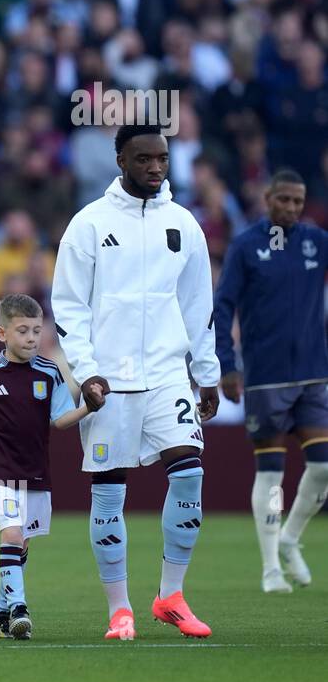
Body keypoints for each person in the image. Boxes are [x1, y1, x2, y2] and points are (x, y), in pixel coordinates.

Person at [51, 124, 221, 640]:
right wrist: (85, 371)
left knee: (189, 473)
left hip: (169, 372)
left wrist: (206, 372)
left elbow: (198, 306)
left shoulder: (183, 224)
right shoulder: (89, 224)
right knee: (109, 493)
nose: (155, 167)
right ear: (120, 160)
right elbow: (68, 307)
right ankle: (119, 608)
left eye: (162, 159)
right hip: (110, 379)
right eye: (143, 158)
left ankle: (170, 595)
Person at [213, 169, 328, 592]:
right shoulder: (246, 246)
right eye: (284, 200)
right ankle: (270, 568)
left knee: (323, 467)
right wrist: (227, 364)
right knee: (272, 474)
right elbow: (222, 308)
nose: (292, 209)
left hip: (314, 374)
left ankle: (290, 537)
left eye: (299, 201)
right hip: (265, 379)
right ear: (268, 198)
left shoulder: (317, 242)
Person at [0, 293, 89, 640]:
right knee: (12, 535)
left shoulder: (50, 372)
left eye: (36, 330)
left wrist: (88, 407)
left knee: (22, 545)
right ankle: (19, 608)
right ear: (3, 334)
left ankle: (0, 611)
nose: (31, 338)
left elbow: (61, 420)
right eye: (22, 331)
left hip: (35, 472)